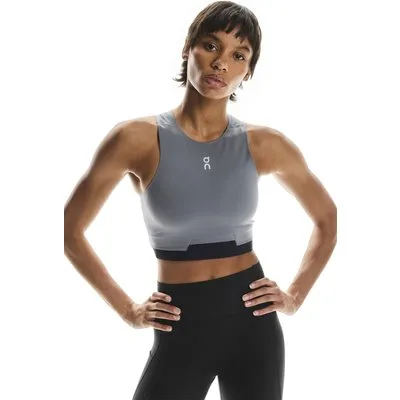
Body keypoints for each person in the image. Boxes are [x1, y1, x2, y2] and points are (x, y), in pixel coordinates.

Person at [64, 1, 337, 399]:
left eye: (239, 55)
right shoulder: (135, 139)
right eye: (211, 46)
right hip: (180, 322)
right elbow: (69, 230)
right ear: (187, 48)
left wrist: (294, 296)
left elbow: (327, 218)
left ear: (248, 71)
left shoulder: (264, 144)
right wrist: (128, 310)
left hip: (253, 324)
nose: (221, 63)